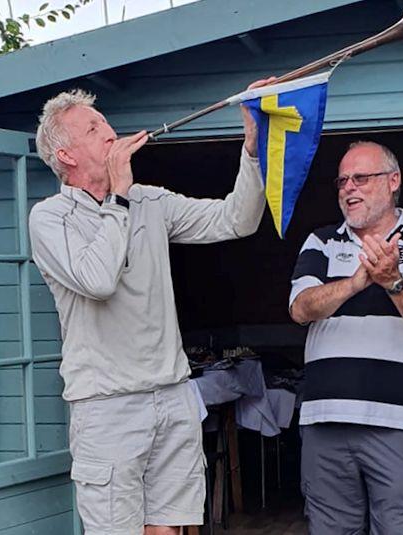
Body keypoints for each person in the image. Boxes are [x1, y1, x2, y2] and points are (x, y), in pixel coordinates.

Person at [29, 78, 274, 534]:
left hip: (174, 393)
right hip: (107, 407)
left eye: (106, 123)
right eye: (92, 129)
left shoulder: (152, 201)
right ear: (66, 156)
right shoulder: (49, 218)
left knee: (172, 530)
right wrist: (119, 197)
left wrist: (253, 148)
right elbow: (97, 280)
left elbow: (237, 220)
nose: (109, 133)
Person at [289, 141, 403, 534]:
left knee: (401, 527)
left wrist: (393, 281)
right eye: (343, 181)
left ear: (393, 181)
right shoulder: (321, 241)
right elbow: (300, 308)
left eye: (361, 178)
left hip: (394, 422)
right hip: (324, 421)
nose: (350, 188)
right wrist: (355, 282)